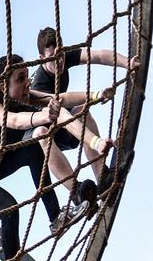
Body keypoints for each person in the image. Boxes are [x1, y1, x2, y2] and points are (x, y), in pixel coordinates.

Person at [0, 55, 109, 261]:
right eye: (20, 78)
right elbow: (15, 121)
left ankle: (59, 213)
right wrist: (43, 116)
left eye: (27, 76)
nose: (27, 82)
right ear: (3, 86)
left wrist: (95, 95)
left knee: (35, 145)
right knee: (9, 208)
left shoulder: (25, 97)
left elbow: (60, 98)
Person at [29, 27, 136, 184]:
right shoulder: (40, 84)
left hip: (64, 123)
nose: (59, 61)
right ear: (41, 58)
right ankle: (76, 189)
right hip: (45, 135)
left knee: (83, 111)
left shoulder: (63, 57)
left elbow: (98, 55)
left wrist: (128, 63)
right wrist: (95, 95)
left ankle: (102, 176)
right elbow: (61, 101)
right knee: (71, 111)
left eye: (61, 54)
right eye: (51, 57)